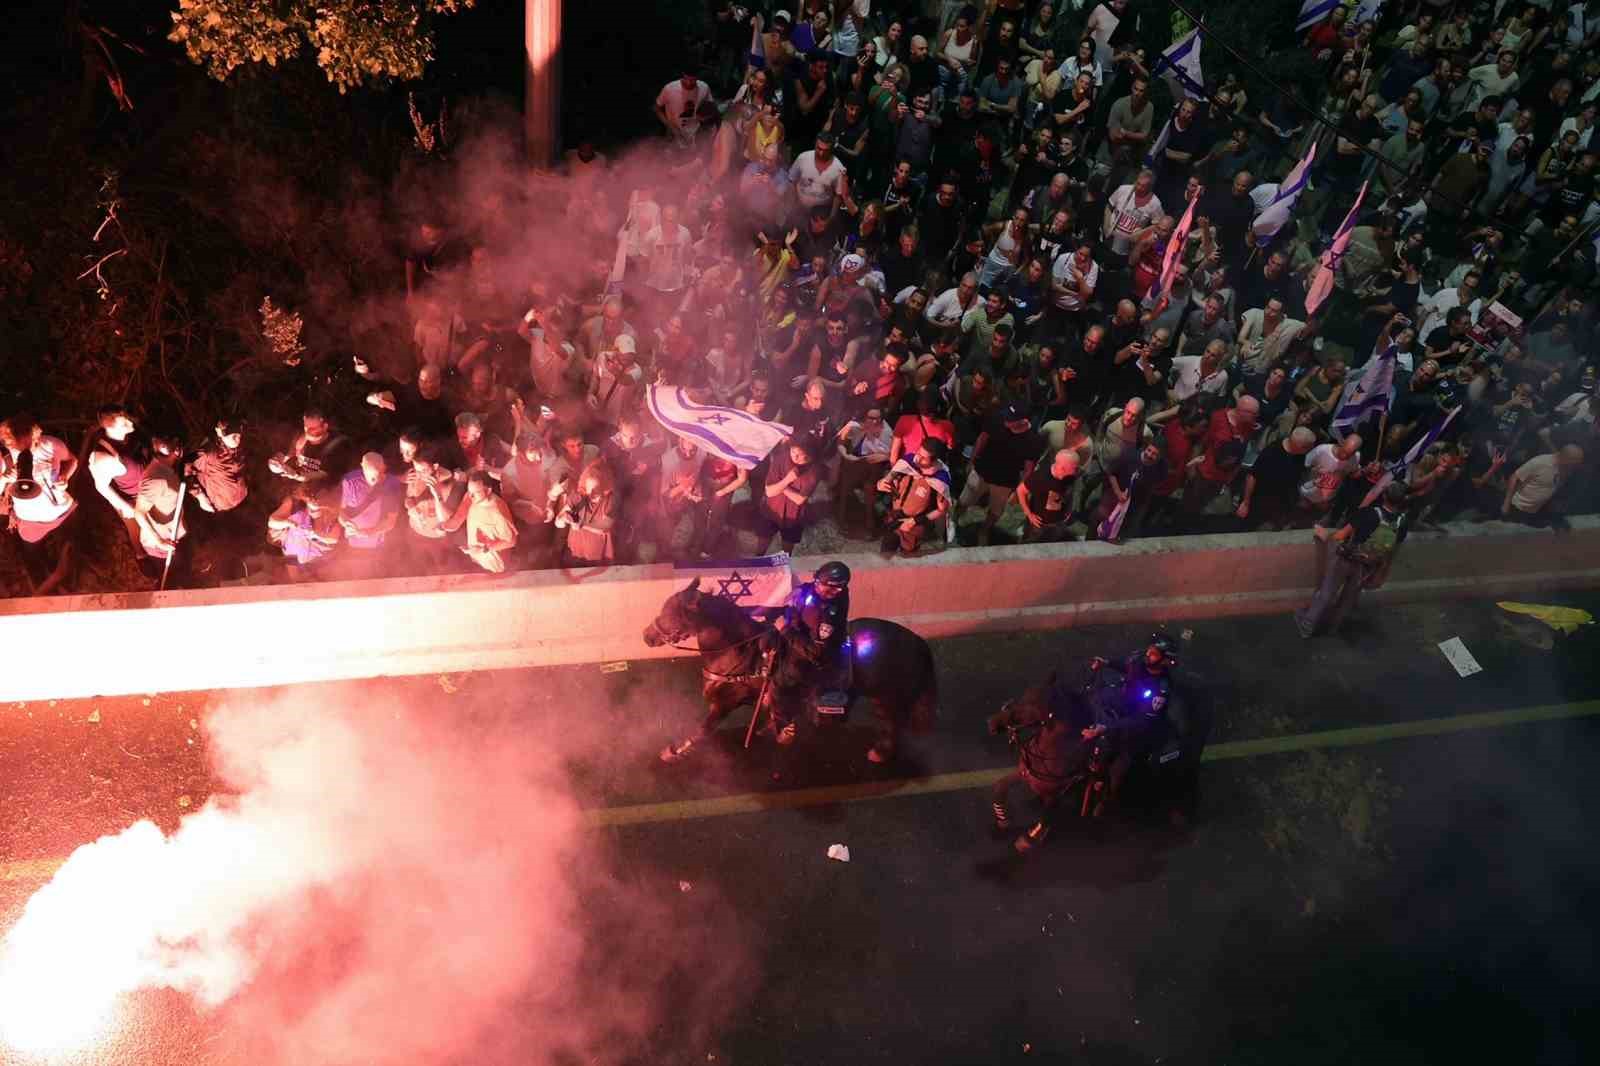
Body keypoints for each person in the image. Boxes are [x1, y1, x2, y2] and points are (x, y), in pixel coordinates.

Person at [1296, 481, 1411, 638]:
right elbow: (1392, 551)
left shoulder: (1368, 513)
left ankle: (1307, 626)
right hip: (1368, 567)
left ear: (1384, 495)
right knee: (1348, 599)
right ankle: (1333, 628)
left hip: (1346, 559)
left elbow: (1341, 535)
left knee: (1327, 593)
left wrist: (1325, 535)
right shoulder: (1402, 523)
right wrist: (1382, 572)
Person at [765, 560, 853, 749]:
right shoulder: (818, 591)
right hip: (800, 633)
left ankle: (783, 725)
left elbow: (814, 652)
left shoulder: (827, 617)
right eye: (817, 581)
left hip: (816, 653)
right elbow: (803, 596)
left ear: (836, 590)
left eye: (822, 585)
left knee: (781, 680)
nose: (816, 586)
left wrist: (786, 630)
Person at [962, 402, 1043, 545]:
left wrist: (1019, 492)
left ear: (1023, 420)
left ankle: (984, 530)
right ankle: (954, 520)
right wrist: (972, 460)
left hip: (1005, 481)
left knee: (996, 510)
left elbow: (1028, 469)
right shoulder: (997, 419)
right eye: (1006, 416)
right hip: (981, 471)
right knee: (965, 499)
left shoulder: (1033, 440)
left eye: (1010, 419)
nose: (1005, 420)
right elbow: (982, 438)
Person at [877, 438, 953, 553]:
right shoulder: (908, 461)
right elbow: (888, 478)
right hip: (895, 516)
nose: (918, 458)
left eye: (923, 458)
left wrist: (914, 521)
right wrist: (881, 483)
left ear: (934, 460)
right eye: (918, 453)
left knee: (908, 555)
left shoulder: (940, 479)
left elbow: (941, 509)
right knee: (886, 550)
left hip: (914, 526)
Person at [759, 436, 822, 553]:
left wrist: (781, 486)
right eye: (792, 452)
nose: (795, 457)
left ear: (809, 454)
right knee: (760, 549)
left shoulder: (815, 469)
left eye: (799, 454)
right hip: (771, 510)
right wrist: (787, 480)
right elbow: (769, 492)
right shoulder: (780, 459)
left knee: (786, 554)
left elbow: (799, 499)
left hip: (794, 516)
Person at [1016, 447, 1079, 542]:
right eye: (1074, 467)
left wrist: (1068, 508)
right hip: (1039, 525)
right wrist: (1029, 514)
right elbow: (1020, 490)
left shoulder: (1070, 477)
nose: (1076, 470)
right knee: (1031, 547)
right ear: (1063, 468)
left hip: (1058, 523)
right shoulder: (1040, 477)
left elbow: (1069, 493)